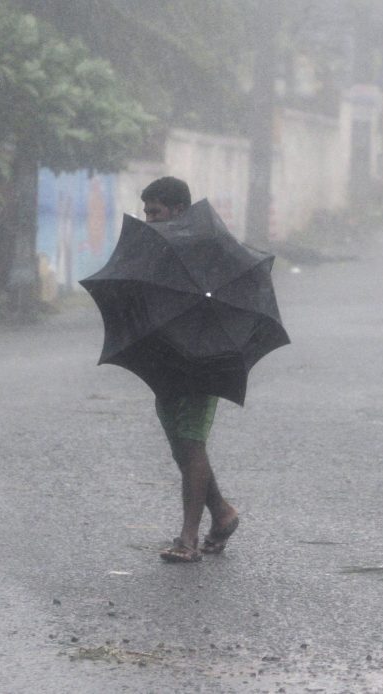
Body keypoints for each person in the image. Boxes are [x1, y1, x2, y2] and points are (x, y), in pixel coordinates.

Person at [141, 176, 240, 563]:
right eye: (146, 211)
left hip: (202, 358)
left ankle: (188, 539)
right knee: (182, 446)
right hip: (168, 358)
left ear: (178, 210)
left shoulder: (204, 246)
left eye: (156, 212)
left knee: (191, 442)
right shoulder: (157, 247)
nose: (149, 219)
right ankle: (223, 513)